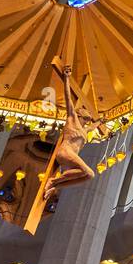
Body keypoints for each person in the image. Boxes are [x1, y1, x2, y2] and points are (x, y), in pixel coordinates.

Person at [42, 64, 96, 203]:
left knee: (88, 176)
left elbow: (93, 127)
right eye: (85, 110)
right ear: (80, 113)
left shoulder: (84, 130)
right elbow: (68, 99)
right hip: (65, 152)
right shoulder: (72, 119)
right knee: (89, 173)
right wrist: (66, 77)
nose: (88, 111)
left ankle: (55, 185)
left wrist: (101, 122)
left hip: (71, 158)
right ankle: (54, 181)